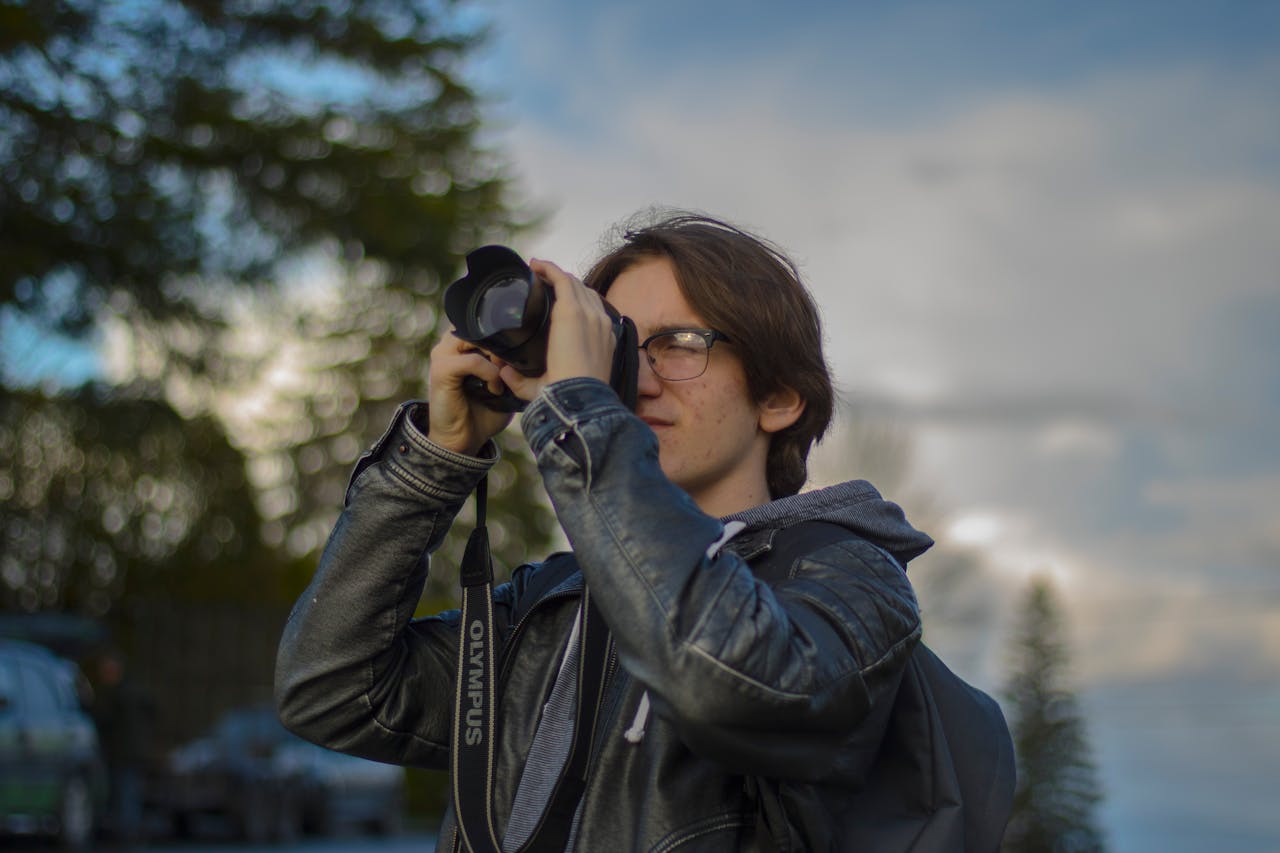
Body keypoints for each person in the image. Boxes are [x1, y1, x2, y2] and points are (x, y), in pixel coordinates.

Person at [276, 212, 1007, 851]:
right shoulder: (549, 608)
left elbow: (730, 684)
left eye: (680, 344)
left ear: (780, 396)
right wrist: (435, 459)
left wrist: (581, 406)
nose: (641, 381)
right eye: (621, 346)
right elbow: (333, 690)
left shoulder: (848, 575)